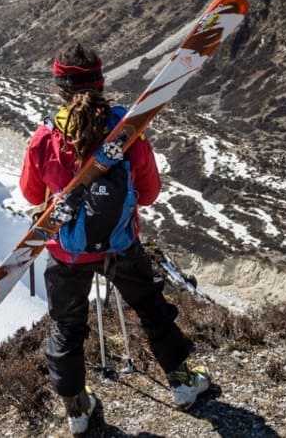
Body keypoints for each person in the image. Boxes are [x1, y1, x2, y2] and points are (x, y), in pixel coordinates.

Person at [20, 43, 211, 435]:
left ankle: (77, 409)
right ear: (101, 81)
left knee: (68, 327)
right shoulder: (129, 131)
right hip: (122, 244)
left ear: (59, 86)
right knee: (152, 309)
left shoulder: (45, 138)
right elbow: (151, 191)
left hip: (67, 253)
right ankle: (181, 382)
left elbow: (29, 193)